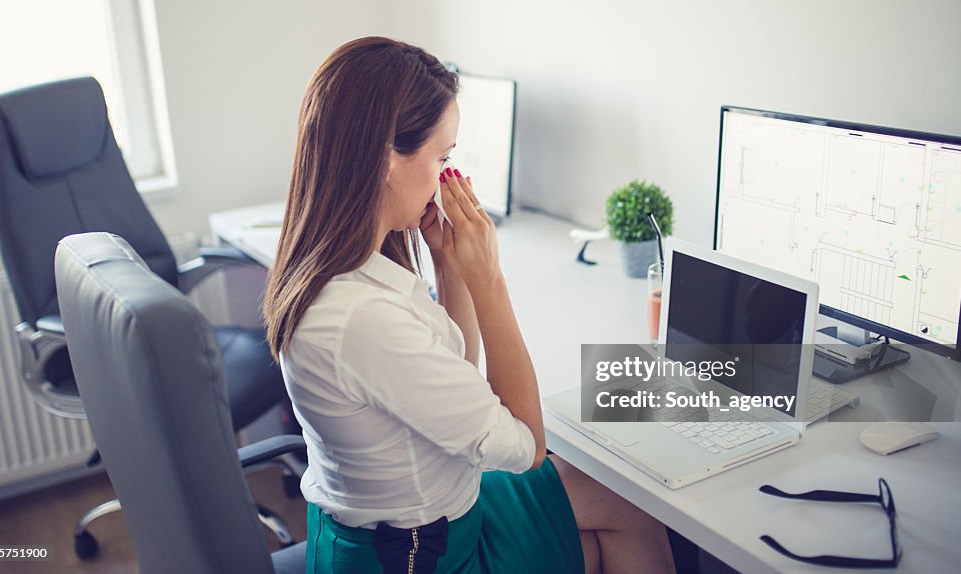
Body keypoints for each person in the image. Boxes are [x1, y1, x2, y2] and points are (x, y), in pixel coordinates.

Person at [262, 36, 675, 574]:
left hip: (417, 514)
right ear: (388, 159)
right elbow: (525, 446)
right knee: (619, 523)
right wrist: (489, 280)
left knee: (619, 516)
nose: (444, 175)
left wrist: (451, 268)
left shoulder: (340, 267)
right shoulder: (361, 319)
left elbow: (454, 380)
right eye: (443, 157)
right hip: (414, 553)